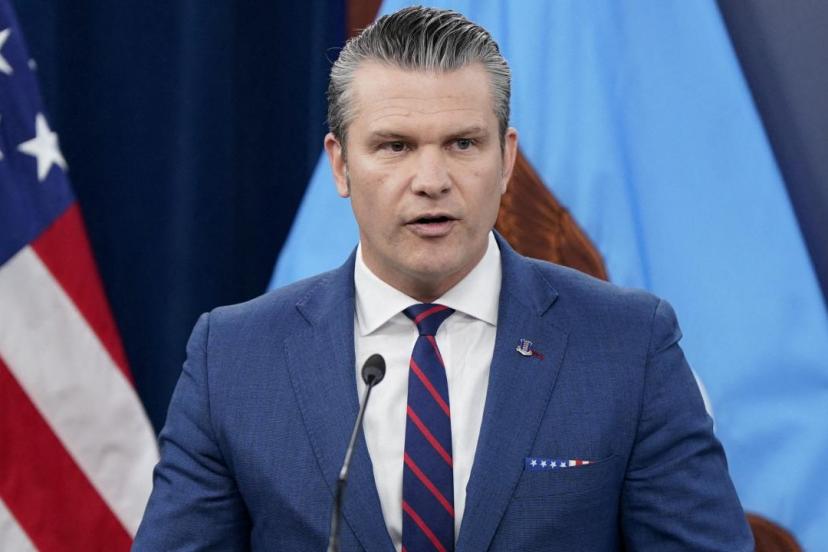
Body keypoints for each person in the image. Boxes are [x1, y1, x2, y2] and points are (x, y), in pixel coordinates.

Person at [134, 7, 753, 551]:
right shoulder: (235, 358)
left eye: (462, 144)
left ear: (506, 159)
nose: (431, 180)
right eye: (395, 146)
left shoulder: (628, 345)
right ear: (341, 165)